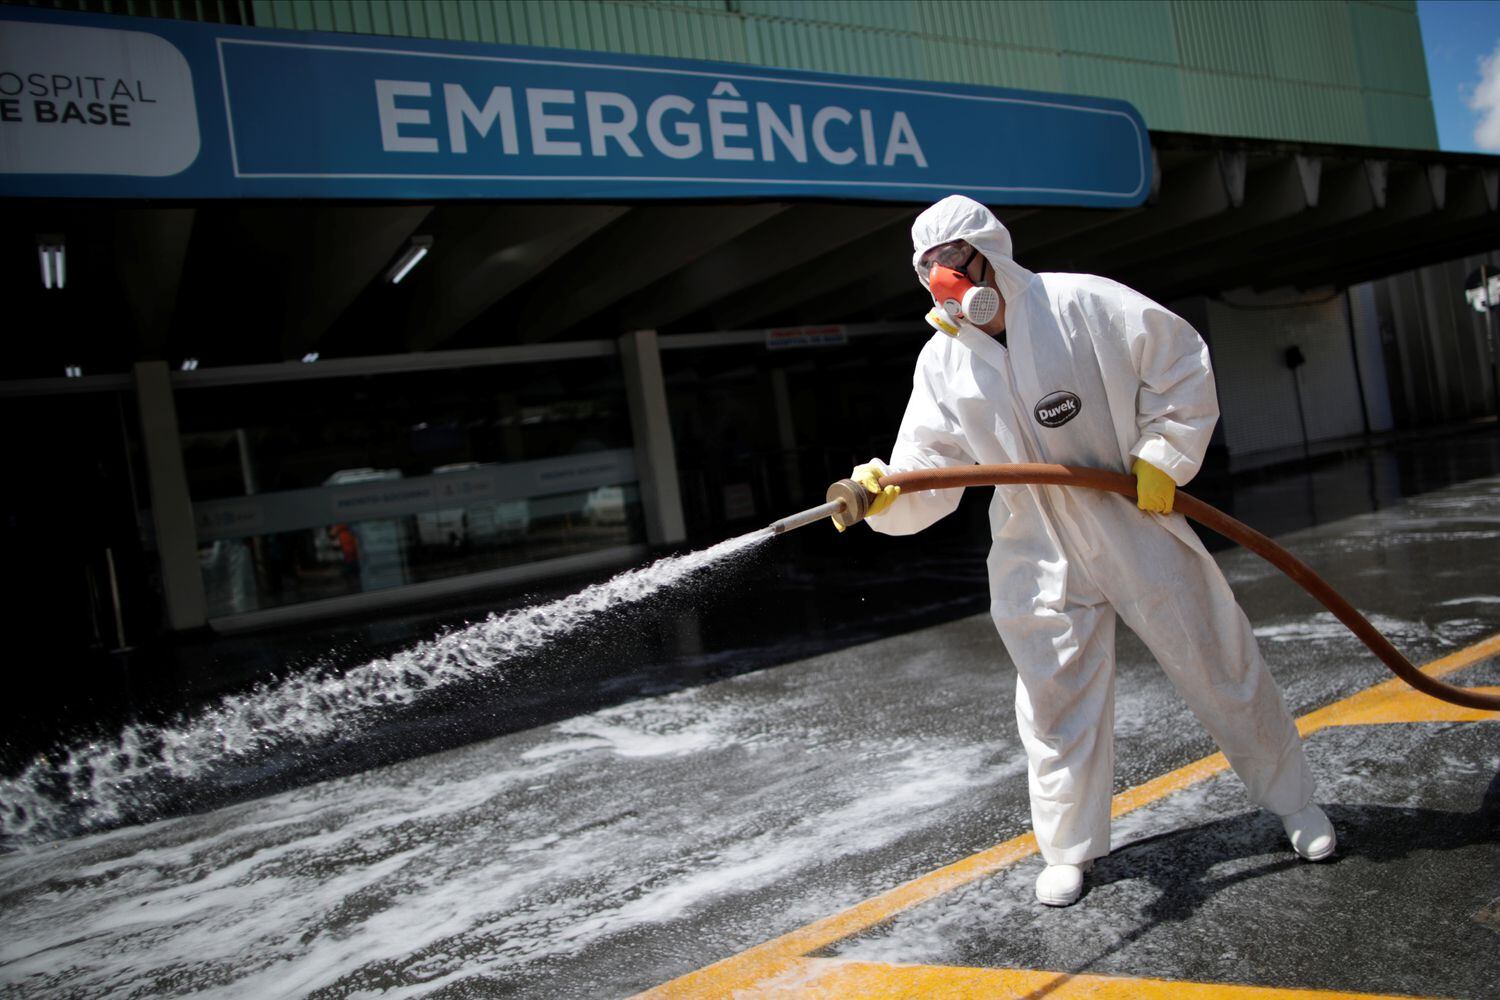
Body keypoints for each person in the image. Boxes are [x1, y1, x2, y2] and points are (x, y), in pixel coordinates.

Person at [853, 194, 1334, 907]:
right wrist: (888, 494)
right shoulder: (943, 362)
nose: (943, 280)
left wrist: (1163, 455)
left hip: (1131, 517)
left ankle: (1295, 803)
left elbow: (1180, 364)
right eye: (928, 268)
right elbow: (928, 467)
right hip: (1034, 545)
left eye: (953, 261)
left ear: (990, 254)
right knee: (1054, 702)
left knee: (1218, 660)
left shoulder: (1082, 305)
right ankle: (1070, 850)